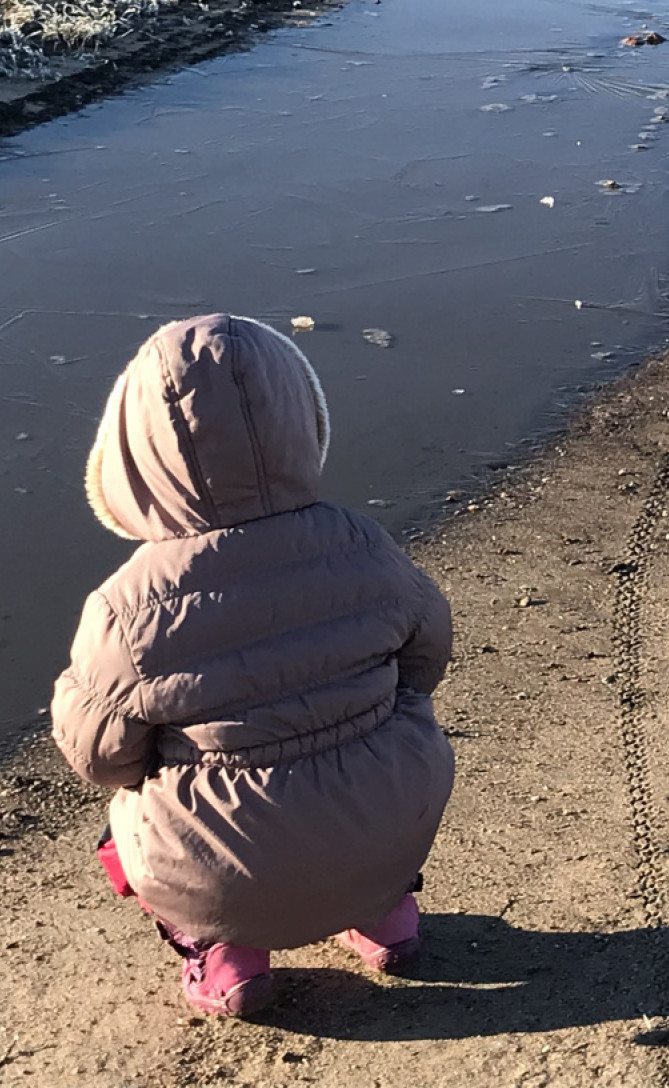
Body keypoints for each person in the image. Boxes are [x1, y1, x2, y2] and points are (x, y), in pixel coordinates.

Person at [51, 314, 455, 1018]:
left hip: (229, 873)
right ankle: (389, 919)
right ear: (300, 424)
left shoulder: (127, 606)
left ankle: (225, 954)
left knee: (129, 823)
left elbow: (100, 757)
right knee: (375, 757)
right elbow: (427, 656)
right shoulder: (362, 543)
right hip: (389, 827)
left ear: (131, 454)